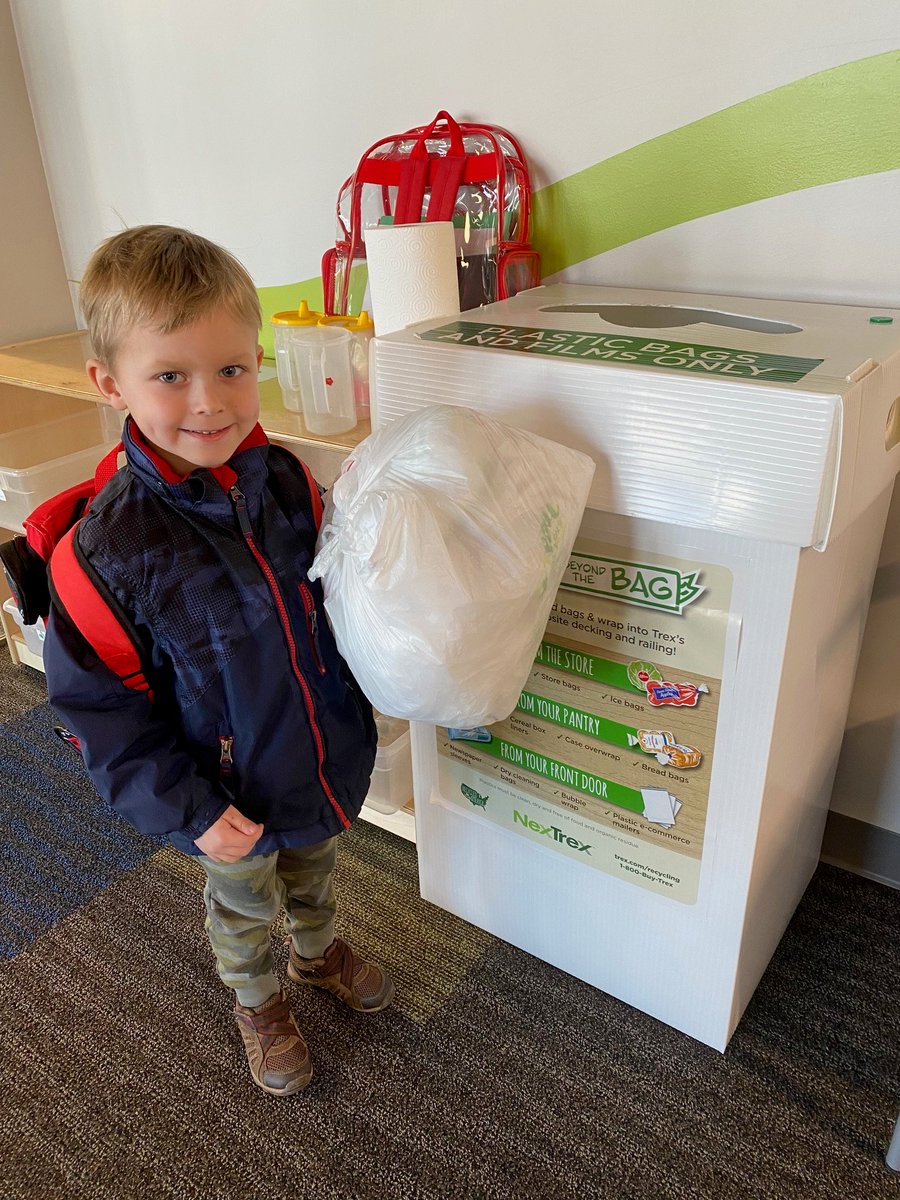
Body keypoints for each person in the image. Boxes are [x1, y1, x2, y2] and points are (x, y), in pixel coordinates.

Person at [43, 224, 393, 1097]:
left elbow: (338, 599)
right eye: (170, 375)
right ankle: (257, 998)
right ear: (109, 383)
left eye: (233, 368)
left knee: (316, 865)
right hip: (220, 791)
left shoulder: (282, 478)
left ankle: (314, 955)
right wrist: (189, 811)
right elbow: (103, 718)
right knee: (242, 905)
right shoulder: (105, 551)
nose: (210, 402)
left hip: (315, 752)